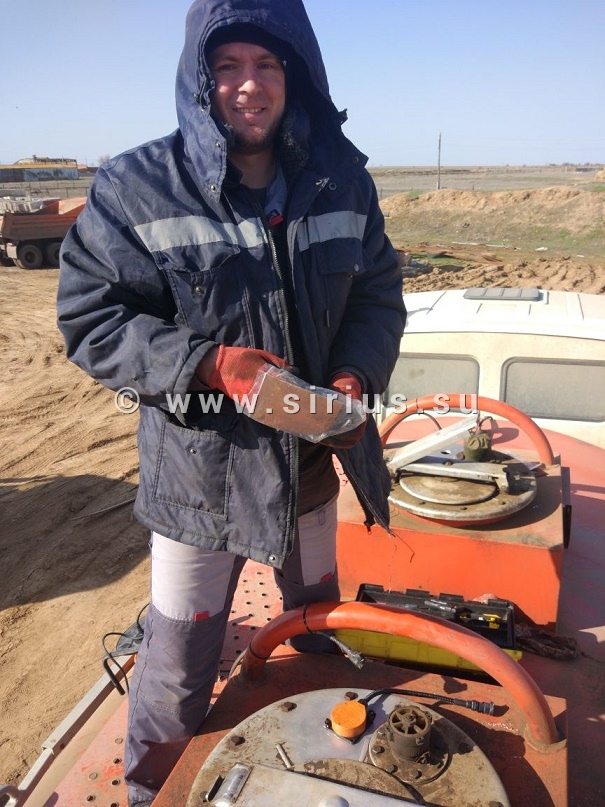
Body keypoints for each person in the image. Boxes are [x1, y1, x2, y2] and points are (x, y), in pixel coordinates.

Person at [57, 0, 406, 803]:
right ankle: (150, 790)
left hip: (313, 469)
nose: (248, 85)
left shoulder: (340, 179)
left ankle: (323, 770)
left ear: (296, 74)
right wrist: (211, 364)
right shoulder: (136, 186)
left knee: (318, 632)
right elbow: (92, 317)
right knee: (178, 665)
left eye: (267, 64)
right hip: (199, 486)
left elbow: (377, 292)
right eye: (226, 66)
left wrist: (353, 376)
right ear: (197, 79)